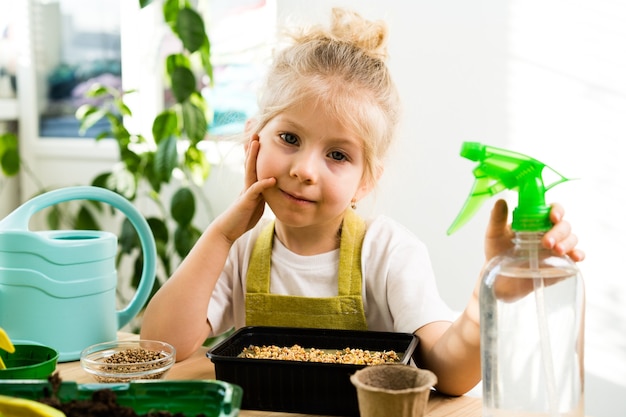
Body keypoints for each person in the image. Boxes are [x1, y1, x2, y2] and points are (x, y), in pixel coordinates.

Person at [141, 8, 584, 396]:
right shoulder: (238, 249)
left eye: (338, 155)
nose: (305, 169)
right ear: (253, 143)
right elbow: (161, 348)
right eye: (289, 138)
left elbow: (448, 374)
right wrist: (221, 233)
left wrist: (490, 296)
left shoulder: (388, 253)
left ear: (365, 182)